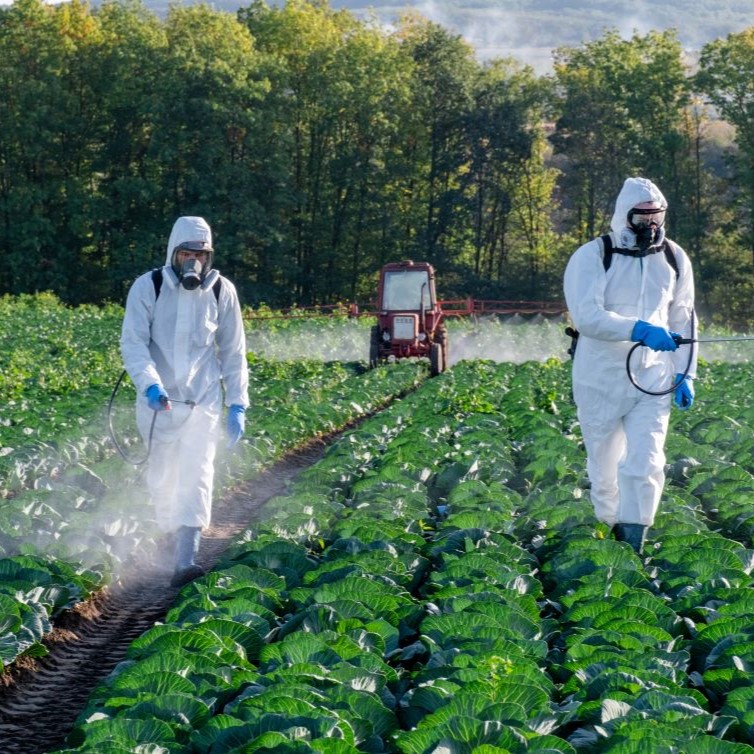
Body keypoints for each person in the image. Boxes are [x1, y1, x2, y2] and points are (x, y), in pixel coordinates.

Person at [563, 177, 696, 556]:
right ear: (626, 216)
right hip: (600, 378)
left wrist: (685, 373)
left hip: (653, 379)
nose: (650, 226)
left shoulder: (673, 258)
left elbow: (683, 319)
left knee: (647, 459)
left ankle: (635, 541)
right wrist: (636, 329)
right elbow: (587, 317)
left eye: (656, 217)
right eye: (643, 217)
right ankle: (611, 532)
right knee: (605, 470)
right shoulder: (592, 256)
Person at [120, 216, 249, 587]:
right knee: (162, 478)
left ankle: (185, 558)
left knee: (197, 474)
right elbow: (133, 343)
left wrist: (237, 403)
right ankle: (167, 537)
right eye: (186, 254)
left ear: (209, 257)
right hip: (158, 403)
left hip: (202, 402)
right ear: (173, 253)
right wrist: (150, 386)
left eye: (200, 255)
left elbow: (234, 351)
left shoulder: (222, 292)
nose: (194, 261)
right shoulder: (150, 287)